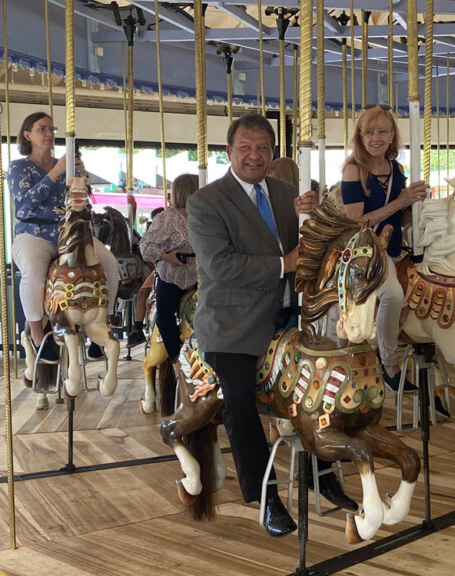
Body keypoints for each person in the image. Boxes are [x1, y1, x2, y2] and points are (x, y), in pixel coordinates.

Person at [187, 113, 352, 538]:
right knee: (240, 402)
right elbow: (220, 266)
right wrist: (285, 262)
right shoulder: (207, 202)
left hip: (287, 315)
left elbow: (317, 243)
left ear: (273, 153)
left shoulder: (286, 193)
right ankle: (265, 496)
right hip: (232, 322)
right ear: (229, 152)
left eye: (263, 148)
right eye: (245, 147)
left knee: (319, 384)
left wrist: (317, 218)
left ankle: (323, 472)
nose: (254, 155)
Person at [9, 111, 119, 362]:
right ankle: (38, 335)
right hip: (33, 233)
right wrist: (56, 172)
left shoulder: (66, 164)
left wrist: (83, 177)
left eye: (51, 129)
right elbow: (25, 204)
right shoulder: (19, 168)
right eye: (42, 129)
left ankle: (105, 320)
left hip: (69, 232)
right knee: (34, 270)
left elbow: (81, 200)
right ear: (27, 135)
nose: (49, 134)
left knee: (110, 263)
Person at [340, 105, 427, 391]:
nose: (375, 137)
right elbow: (356, 222)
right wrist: (400, 202)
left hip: (395, 247)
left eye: (382, 131)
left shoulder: (397, 169)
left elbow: (402, 217)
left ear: (392, 136)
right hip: (368, 249)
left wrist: (418, 206)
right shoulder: (354, 170)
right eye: (369, 132)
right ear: (360, 137)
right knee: (393, 295)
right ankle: (389, 363)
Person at [139, 176, 199, 363]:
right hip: (173, 274)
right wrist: (166, 257)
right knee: (164, 315)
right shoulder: (167, 217)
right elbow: (145, 246)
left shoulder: (203, 215)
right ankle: (174, 359)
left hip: (199, 274)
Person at [128, 206, 165, 348]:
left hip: (163, 267)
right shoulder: (152, 234)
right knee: (142, 293)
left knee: (144, 292)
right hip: (158, 266)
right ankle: (137, 328)